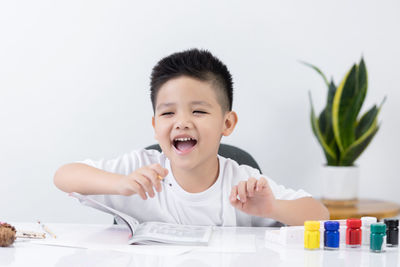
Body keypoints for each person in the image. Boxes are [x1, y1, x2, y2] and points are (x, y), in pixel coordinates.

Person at [54, 49, 329, 226]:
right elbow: (64, 175)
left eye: (198, 111)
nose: (182, 122)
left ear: (227, 123)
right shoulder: (140, 168)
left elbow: (319, 215)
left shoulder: (244, 183)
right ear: (154, 125)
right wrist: (121, 184)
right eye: (168, 113)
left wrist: (273, 208)